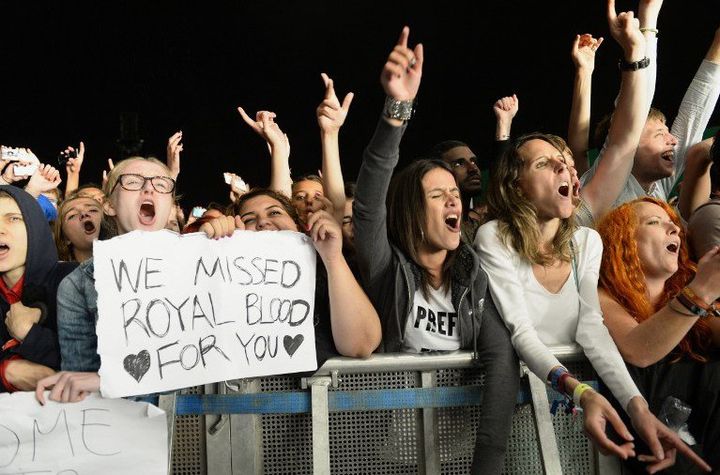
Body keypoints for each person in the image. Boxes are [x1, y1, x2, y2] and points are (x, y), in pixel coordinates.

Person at [476, 131, 710, 472]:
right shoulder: (494, 238)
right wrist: (581, 392)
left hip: (578, 408)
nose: (562, 168)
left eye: (566, 163)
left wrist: (638, 408)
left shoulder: (586, 242)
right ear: (516, 187)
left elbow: (592, 330)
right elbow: (522, 332)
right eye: (544, 163)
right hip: (527, 405)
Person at [353, 26, 518, 473]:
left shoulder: (472, 275)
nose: (454, 200)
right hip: (386, 458)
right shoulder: (386, 267)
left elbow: (501, 360)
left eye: (454, 193)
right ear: (410, 209)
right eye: (436, 194)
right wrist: (395, 113)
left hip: (459, 456)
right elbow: (369, 200)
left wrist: (487, 463)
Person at [34, 156, 237, 403]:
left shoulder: (211, 258)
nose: (149, 187)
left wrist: (233, 247)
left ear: (170, 205)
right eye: (132, 182)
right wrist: (105, 382)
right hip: (135, 428)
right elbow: (81, 381)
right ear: (109, 206)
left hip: (211, 423)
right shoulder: (77, 285)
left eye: (161, 184)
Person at [597, 196, 720, 471]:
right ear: (622, 241)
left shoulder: (689, 293)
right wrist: (702, 292)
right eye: (654, 222)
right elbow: (638, 349)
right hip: (652, 451)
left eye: (674, 224)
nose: (675, 229)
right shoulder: (601, 296)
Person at [581, 7, 720, 212]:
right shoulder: (602, 181)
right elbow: (636, 101)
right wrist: (649, 18)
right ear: (630, 143)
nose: (673, 140)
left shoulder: (654, 188)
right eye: (659, 134)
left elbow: (694, 113)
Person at [230, 188, 381, 362]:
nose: (263, 222)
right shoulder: (229, 286)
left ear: (298, 227)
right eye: (249, 219)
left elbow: (361, 346)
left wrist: (332, 258)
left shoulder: (327, 274)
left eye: (274, 212)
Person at [0, 186, 77, 392]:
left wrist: (30, 335)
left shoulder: (75, 281)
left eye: (13, 218)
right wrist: (6, 372)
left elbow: (103, 364)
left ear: (36, 227)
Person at [54, 191, 104, 262]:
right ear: (65, 238)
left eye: (92, 210)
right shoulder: (60, 272)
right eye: (72, 215)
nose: (83, 213)